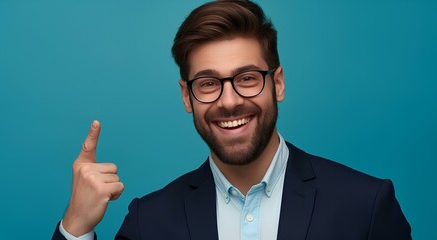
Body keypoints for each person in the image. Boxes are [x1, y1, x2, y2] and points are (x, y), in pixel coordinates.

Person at [52, 0, 411, 239]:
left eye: (247, 78)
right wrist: (75, 227)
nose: (229, 101)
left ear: (278, 83)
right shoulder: (150, 221)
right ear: (186, 97)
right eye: (208, 84)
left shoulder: (365, 206)